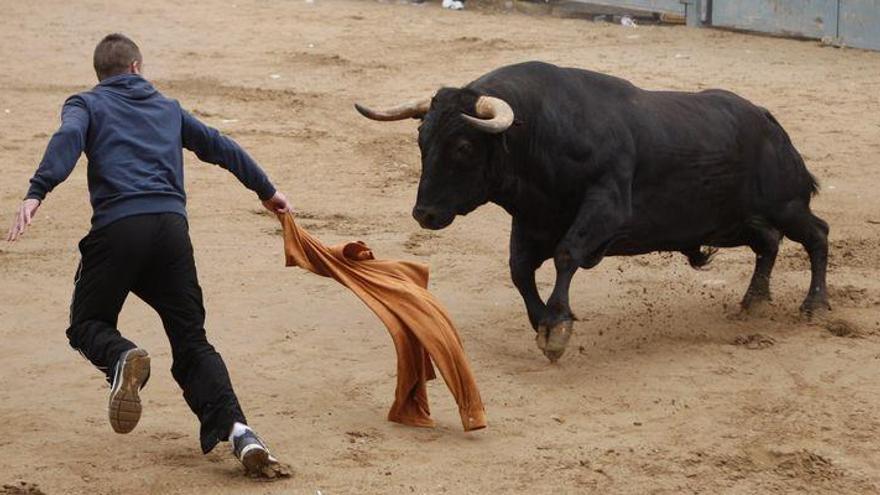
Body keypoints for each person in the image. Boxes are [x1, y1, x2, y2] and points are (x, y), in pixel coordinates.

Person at [6, 33, 289, 476]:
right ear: (137, 67)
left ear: (100, 74)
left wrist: (37, 191)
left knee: (87, 324)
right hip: (171, 233)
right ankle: (241, 433)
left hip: (119, 231)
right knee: (192, 341)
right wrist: (267, 191)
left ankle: (121, 358)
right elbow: (220, 146)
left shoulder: (85, 103)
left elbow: (69, 138)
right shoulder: (168, 108)